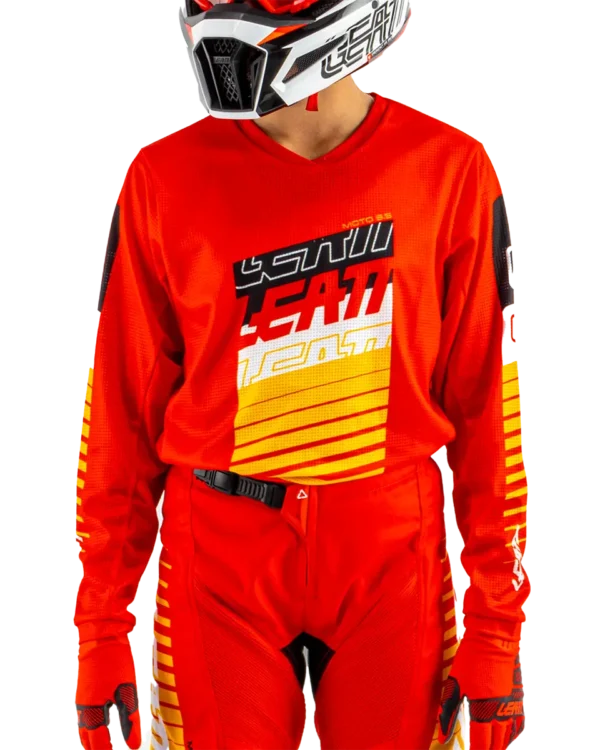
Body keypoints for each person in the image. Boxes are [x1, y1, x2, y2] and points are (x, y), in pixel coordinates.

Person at [73, 0, 531, 747]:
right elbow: (121, 417)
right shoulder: (164, 180)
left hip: (393, 556)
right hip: (218, 560)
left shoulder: (448, 170)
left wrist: (498, 627)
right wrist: (98, 628)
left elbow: (487, 408)